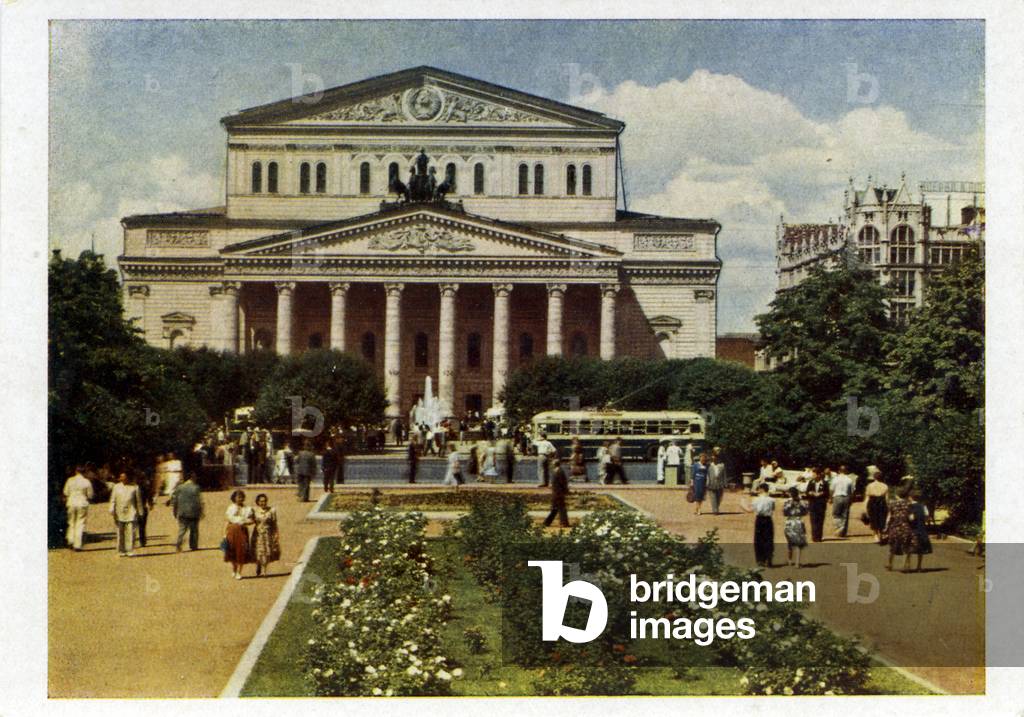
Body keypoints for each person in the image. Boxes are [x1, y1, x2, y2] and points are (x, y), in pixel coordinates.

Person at [109, 471, 143, 557]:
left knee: (131, 532)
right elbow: (113, 499)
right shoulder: (116, 487)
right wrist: (111, 509)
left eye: (125, 478)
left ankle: (130, 550)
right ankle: (121, 550)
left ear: (128, 478)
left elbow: (139, 501)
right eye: (121, 478)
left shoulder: (135, 487)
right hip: (119, 512)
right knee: (120, 532)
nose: (123, 479)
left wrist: (140, 512)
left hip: (131, 512)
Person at [886, 481, 916, 573]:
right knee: (907, 547)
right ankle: (905, 565)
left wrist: (886, 527)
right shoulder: (908, 504)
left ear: (897, 495)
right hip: (905, 527)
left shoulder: (892, 504)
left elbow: (889, 517)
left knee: (892, 547)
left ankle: (890, 564)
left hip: (894, 527)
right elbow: (911, 518)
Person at [224, 490, 254, 579]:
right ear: (234, 498)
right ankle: (234, 569)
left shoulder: (248, 509)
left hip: (242, 531)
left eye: (241, 497)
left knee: (241, 551)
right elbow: (227, 520)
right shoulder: (230, 508)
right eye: (238, 497)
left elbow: (252, 520)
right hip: (232, 531)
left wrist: (245, 522)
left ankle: (239, 572)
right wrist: (224, 533)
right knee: (231, 550)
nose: (240, 499)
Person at [62, 465, 94, 551]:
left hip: (71, 502)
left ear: (76, 471)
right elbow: (90, 495)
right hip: (82, 503)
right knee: (80, 523)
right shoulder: (86, 482)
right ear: (84, 472)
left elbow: (66, 492)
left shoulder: (70, 480)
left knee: (71, 522)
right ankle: (77, 544)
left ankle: (70, 539)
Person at [170, 472, 204, 551]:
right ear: (193, 478)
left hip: (182, 512)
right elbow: (199, 501)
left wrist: (175, 510)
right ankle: (193, 545)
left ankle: (178, 544)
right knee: (194, 530)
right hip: (193, 512)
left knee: (182, 529)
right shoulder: (196, 487)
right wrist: (201, 511)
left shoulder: (180, 487)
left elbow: (175, 500)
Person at [251, 494, 281, 577]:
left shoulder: (271, 510)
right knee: (258, 551)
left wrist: (276, 534)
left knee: (266, 552)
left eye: (264, 501)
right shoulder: (254, 510)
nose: (263, 503)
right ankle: (258, 565)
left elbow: (274, 523)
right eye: (261, 501)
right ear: (257, 502)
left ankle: (264, 570)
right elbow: (250, 520)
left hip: (268, 533)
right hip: (257, 533)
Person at [748, 484, 775, 568]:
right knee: (769, 539)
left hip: (759, 519)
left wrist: (743, 505)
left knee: (759, 539)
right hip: (768, 519)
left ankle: (760, 560)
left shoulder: (756, 499)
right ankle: (768, 559)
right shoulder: (772, 500)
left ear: (762, 489)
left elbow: (752, 510)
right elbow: (773, 509)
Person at [907, 488, 933, 572]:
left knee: (909, 548)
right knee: (921, 549)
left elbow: (911, 518)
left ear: (910, 497)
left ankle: (907, 565)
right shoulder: (923, 506)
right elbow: (926, 517)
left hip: (912, 529)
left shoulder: (909, 507)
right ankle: (919, 566)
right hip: (922, 529)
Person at [782, 486, 809, 567]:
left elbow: (784, 513)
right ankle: (797, 562)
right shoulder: (803, 502)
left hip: (789, 522)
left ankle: (790, 560)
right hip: (799, 521)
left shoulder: (787, 502)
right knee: (799, 544)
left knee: (790, 542)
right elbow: (806, 512)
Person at [863, 466, 889, 543]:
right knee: (881, 518)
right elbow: (886, 498)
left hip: (872, 502)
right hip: (882, 502)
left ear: (874, 477)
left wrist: (864, 507)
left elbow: (867, 498)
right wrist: (888, 507)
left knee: (873, 518)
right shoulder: (885, 486)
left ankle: (875, 534)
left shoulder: (869, 486)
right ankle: (880, 533)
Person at [543, 457, 571, 529]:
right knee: (556, 509)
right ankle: (548, 522)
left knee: (559, 508)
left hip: (558, 493)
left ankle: (563, 522)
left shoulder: (559, 472)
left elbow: (563, 483)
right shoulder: (556, 471)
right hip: (556, 492)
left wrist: (565, 491)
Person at [804, 467, 828, 542]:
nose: (813, 476)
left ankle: (819, 536)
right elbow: (807, 492)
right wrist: (810, 493)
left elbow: (827, 493)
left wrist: (821, 493)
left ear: (818, 475)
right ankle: (814, 536)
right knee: (813, 520)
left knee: (820, 520)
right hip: (813, 503)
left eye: (814, 474)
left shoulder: (824, 483)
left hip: (821, 504)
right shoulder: (811, 482)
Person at [829, 468, 855, 537]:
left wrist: (830, 498)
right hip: (846, 497)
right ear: (846, 471)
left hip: (837, 497)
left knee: (836, 514)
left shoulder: (835, 479)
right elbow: (852, 491)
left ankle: (837, 530)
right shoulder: (849, 479)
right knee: (845, 514)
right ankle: (843, 531)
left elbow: (831, 489)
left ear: (839, 471)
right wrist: (851, 500)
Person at [707, 447, 728, 515]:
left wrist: (725, 483)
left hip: (720, 483)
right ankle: (715, 510)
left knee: (719, 497)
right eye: (713, 458)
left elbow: (724, 475)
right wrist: (706, 482)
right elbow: (707, 475)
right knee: (713, 497)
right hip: (711, 483)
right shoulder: (709, 465)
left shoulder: (722, 465)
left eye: (715, 458)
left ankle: (716, 507)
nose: (714, 459)